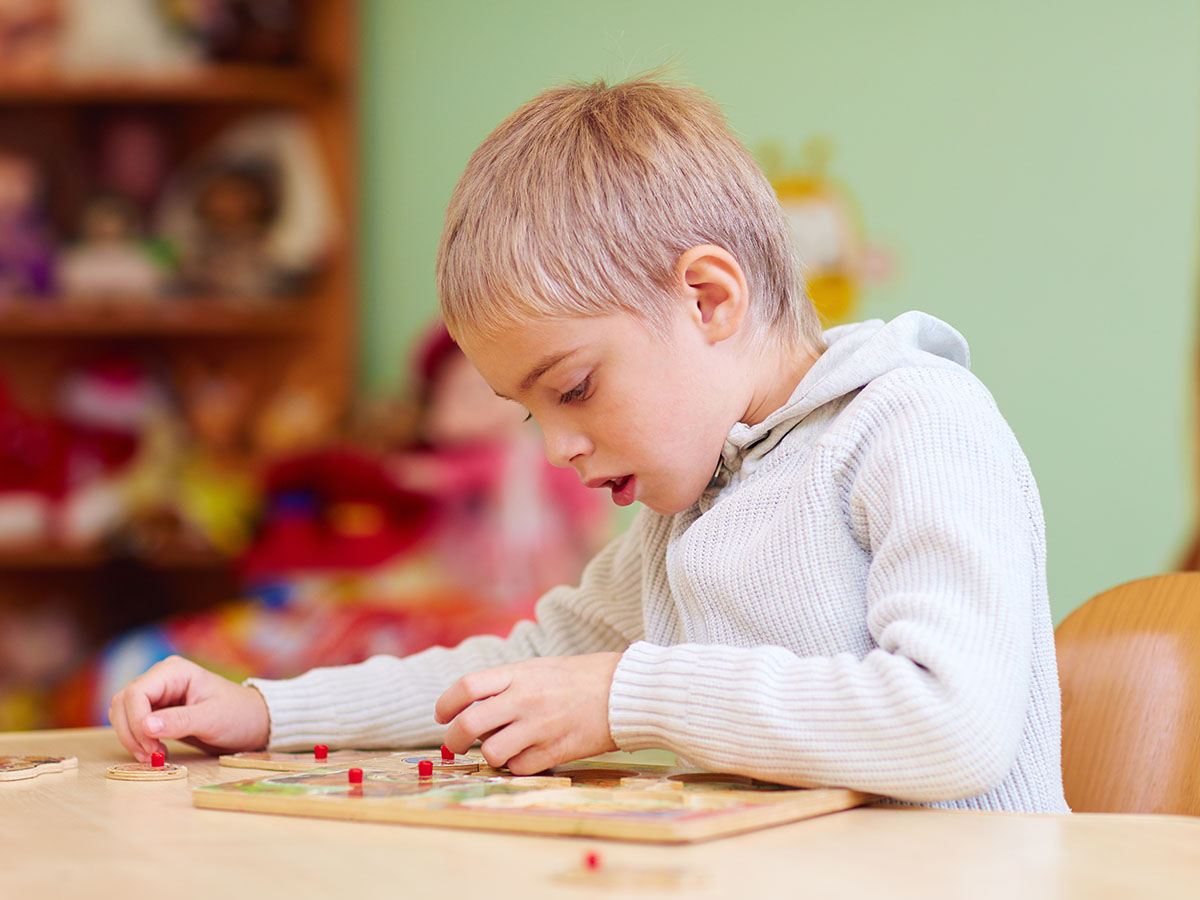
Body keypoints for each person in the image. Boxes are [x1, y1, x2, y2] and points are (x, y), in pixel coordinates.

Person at [109, 75, 1068, 812]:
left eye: (573, 388)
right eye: (531, 411)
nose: (558, 446)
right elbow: (516, 671)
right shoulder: (696, 500)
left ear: (708, 300)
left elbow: (955, 726)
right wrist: (270, 711)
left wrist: (630, 694)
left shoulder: (918, 423)